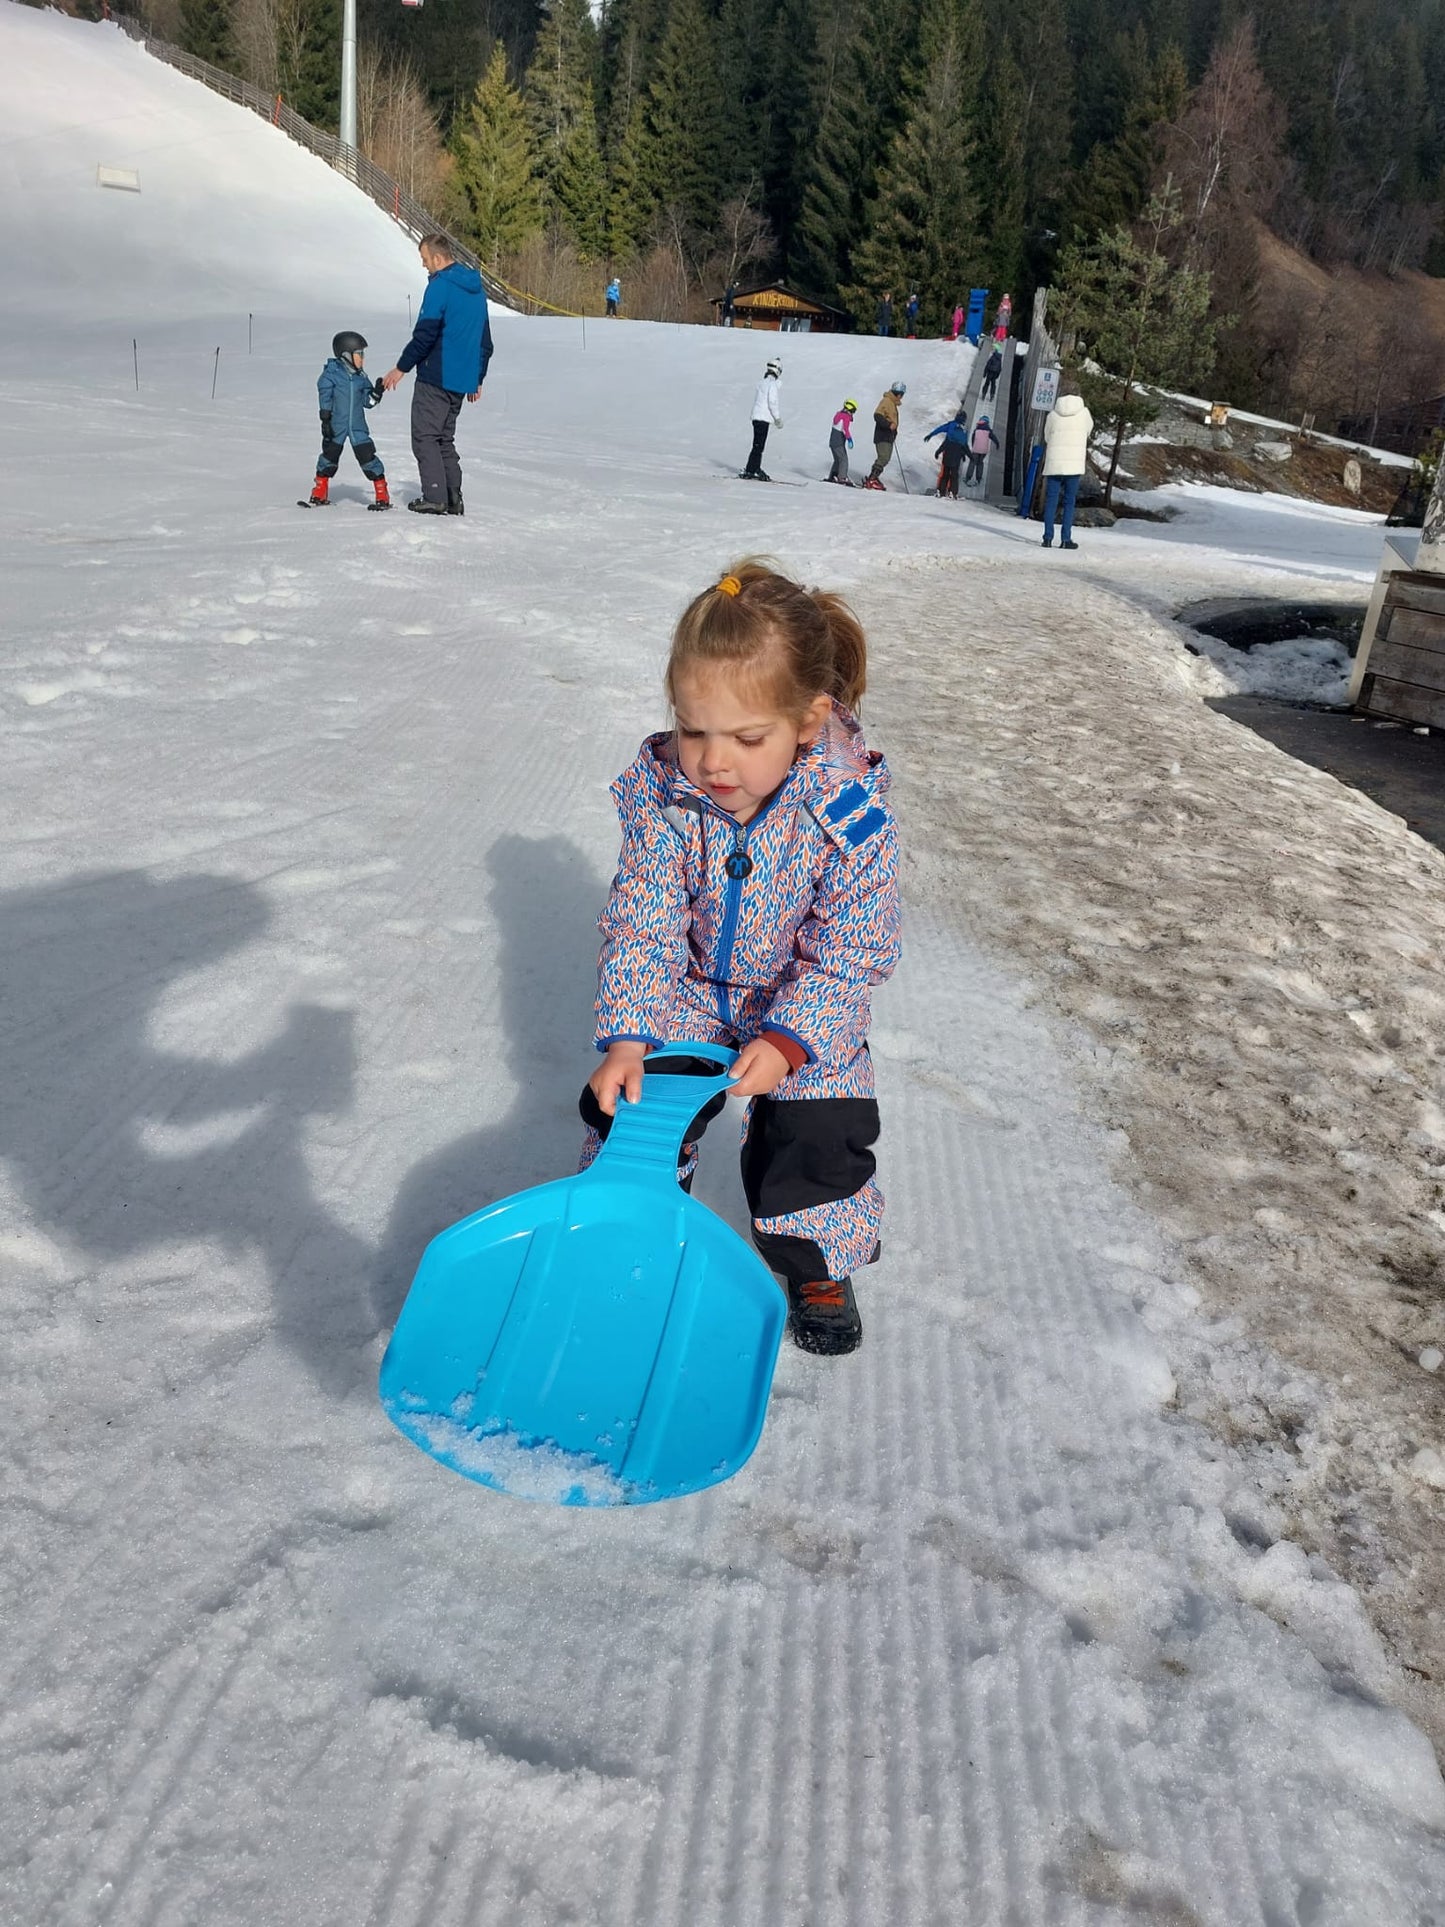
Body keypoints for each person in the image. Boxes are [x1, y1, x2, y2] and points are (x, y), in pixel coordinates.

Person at [580, 560, 900, 1355]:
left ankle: (816, 1255)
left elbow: (852, 949)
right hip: (690, 993)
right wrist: (629, 1036)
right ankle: (627, 1224)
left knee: (820, 1127)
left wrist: (791, 1039)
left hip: (798, 999)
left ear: (806, 718)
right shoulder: (666, 801)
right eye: (694, 731)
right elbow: (643, 924)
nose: (713, 761)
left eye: (745, 737)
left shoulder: (845, 810)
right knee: (633, 1105)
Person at [382, 234, 493, 516]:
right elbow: (485, 341)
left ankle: (434, 496)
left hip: (436, 376)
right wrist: (477, 377)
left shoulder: (440, 287)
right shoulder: (476, 291)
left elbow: (426, 334)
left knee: (425, 435)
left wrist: (401, 368)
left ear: (439, 258)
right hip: (460, 381)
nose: (424, 266)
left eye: (425, 260)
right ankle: (453, 497)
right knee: (444, 437)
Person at [299, 330, 390, 510]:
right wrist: (325, 418)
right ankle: (320, 491)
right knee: (329, 456)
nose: (362, 359)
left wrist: (377, 393)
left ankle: (382, 494)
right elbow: (324, 395)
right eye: (359, 354)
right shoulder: (331, 375)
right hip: (336, 426)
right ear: (345, 355)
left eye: (362, 355)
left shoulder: (361, 378)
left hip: (357, 427)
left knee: (367, 457)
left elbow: (367, 402)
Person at [1041, 388, 1094, 548]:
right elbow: (1088, 431)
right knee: (1069, 502)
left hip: (1054, 464)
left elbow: (1046, 436)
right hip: (1073, 464)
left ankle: (1047, 538)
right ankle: (1065, 539)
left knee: (1051, 501)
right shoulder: (1084, 414)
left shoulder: (1052, 415)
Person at [743, 357, 783, 479]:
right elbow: (772, 402)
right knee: (759, 446)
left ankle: (753, 468)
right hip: (763, 418)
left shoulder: (761, 383)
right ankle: (752, 469)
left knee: (757, 445)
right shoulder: (772, 385)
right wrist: (777, 418)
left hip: (756, 417)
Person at [864, 380, 906, 490]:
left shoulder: (892, 403)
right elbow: (877, 415)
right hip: (883, 434)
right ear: (899, 394)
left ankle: (873, 478)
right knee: (884, 457)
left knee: (885, 458)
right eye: (902, 395)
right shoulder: (887, 401)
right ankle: (872, 479)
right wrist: (889, 425)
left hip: (888, 436)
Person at [923, 408, 970, 498]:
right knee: (954, 475)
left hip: (948, 453)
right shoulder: (964, 430)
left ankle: (941, 491)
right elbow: (964, 445)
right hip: (957, 456)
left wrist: (931, 435)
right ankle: (953, 492)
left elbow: (940, 429)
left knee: (945, 474)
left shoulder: (951, 425)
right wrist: (965, 455)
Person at [965, 413, 1000, 487]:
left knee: (972, 462)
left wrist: (973, 445)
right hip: (984, 450)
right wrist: (997, 444)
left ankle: (968, 477)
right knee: (980, 463)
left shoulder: (976, 430)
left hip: (976, 449)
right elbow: (994, 438)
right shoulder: (989, 431)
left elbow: (973, 438)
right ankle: (979, 478)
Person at [828, 399, 857, 484]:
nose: (853, 413)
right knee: (844, 460)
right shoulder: (846, 417)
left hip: (832, 442)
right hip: (838, 442)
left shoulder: (839, 414)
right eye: (853, 411)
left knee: (837, 460)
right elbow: (845, 429)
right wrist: (849, 439)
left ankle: (833, 475)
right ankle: (842, 477)